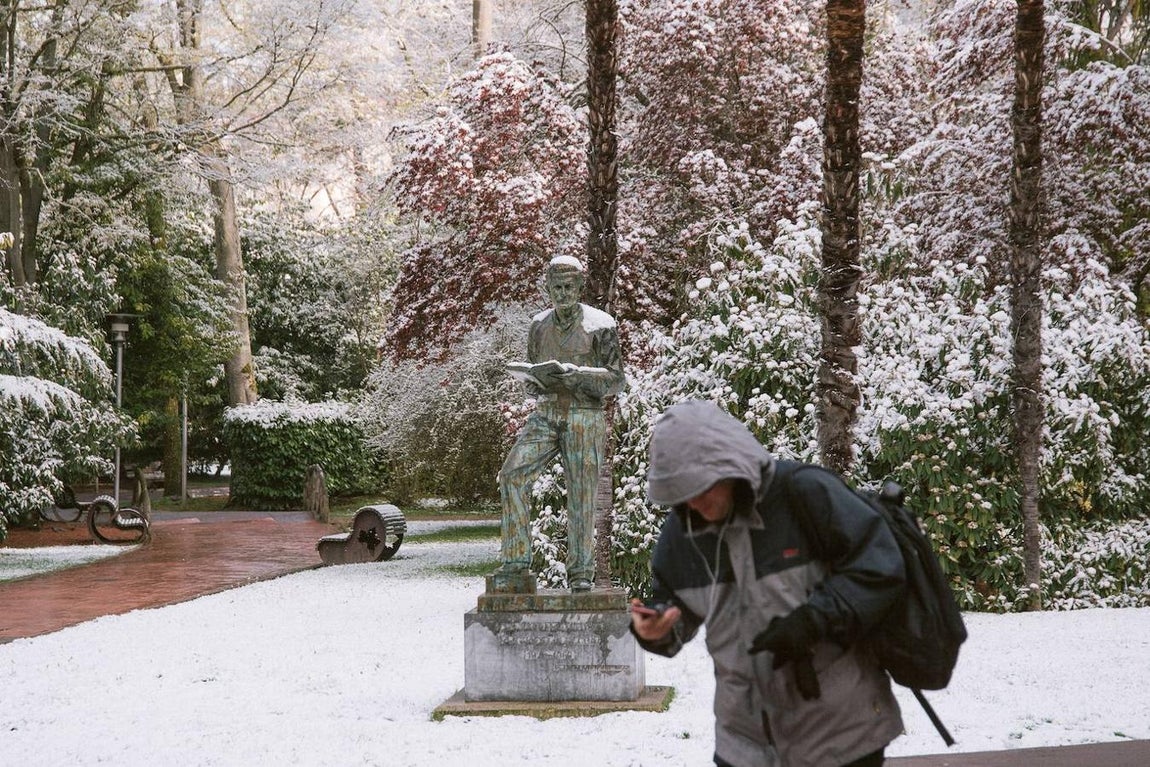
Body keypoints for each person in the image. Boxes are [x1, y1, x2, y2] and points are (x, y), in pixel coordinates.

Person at [630, 400, 906, 767]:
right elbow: (672, 604)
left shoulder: (805, 492)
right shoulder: (683, 529)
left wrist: (813, 620)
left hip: (842, 735)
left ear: (731, 467)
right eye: (681, 493)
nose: (694, 503)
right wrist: (656, 629)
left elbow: (881, 568)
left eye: (702, 488)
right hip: (743, 745)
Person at [495, 255, 625, 592]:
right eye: (556, 287)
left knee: (581, 492)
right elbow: (533, 374)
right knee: (512, 475)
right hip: (546, 413)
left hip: (584, 414)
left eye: (568, 287)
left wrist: (580, 376)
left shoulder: (600, 325)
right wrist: (533, 380)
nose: (563, 293)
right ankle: (516, 563)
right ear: (548, 288)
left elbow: (616, 381)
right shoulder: (539, 325)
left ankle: (580, 572)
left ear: (580, 287)